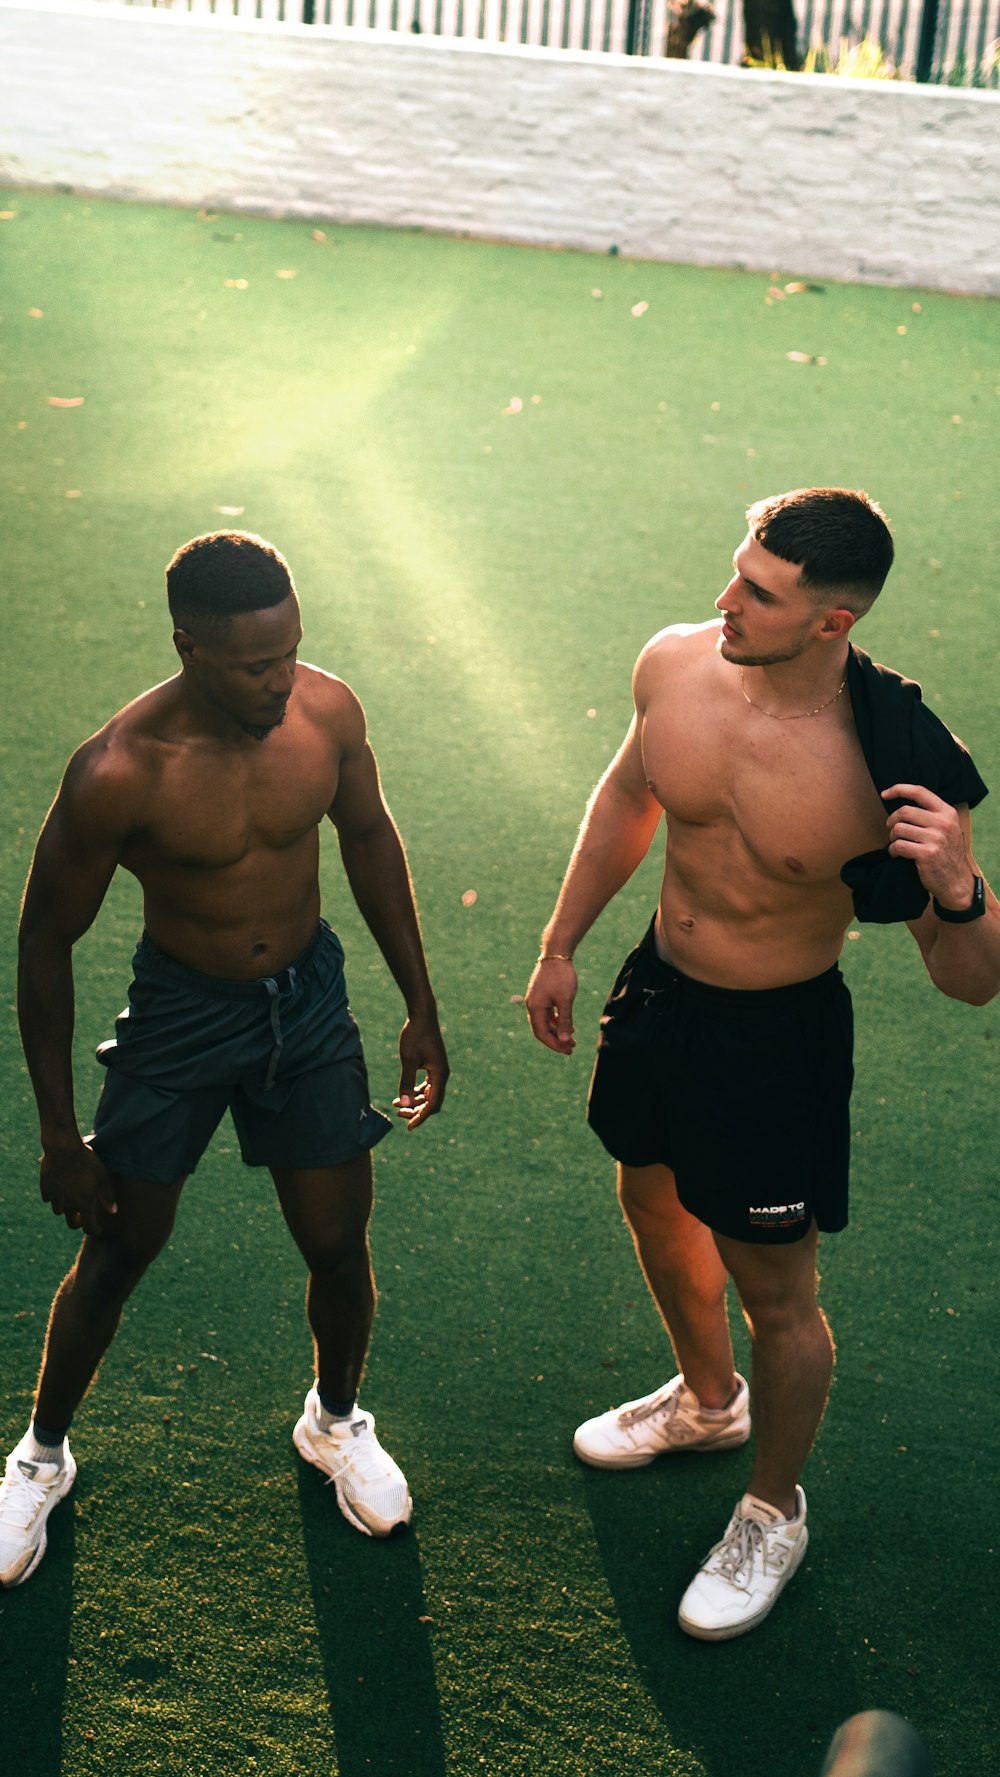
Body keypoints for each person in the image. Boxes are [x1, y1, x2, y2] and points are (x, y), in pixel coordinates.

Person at [525, 488, 999, 1641]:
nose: (725, 600)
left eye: (760, 592)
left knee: (777, 1290)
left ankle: (771, 1508)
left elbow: (969, 976)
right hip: (658, 993)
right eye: (735, 571)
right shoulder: (676, 664)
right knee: (646, 1192)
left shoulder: (892, 761)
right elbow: (631, 793)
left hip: (773, 1038)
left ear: (831, 621)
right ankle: (705, 1400)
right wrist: (560, 942)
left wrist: (960, 887)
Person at [0, 531, 449, 1587]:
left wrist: (419, 1002)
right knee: (119, 1243)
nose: (280, 679)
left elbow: (370, 836)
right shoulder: (120, 770)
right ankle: (39, 1456)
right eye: (256, 664)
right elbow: (42, 942)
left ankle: (335, 1420)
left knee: (337, 1239)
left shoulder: (326, 712)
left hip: (307, 1001)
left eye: (290, 651)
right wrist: (62, 1135)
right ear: (189, 649)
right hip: (182, 1013)